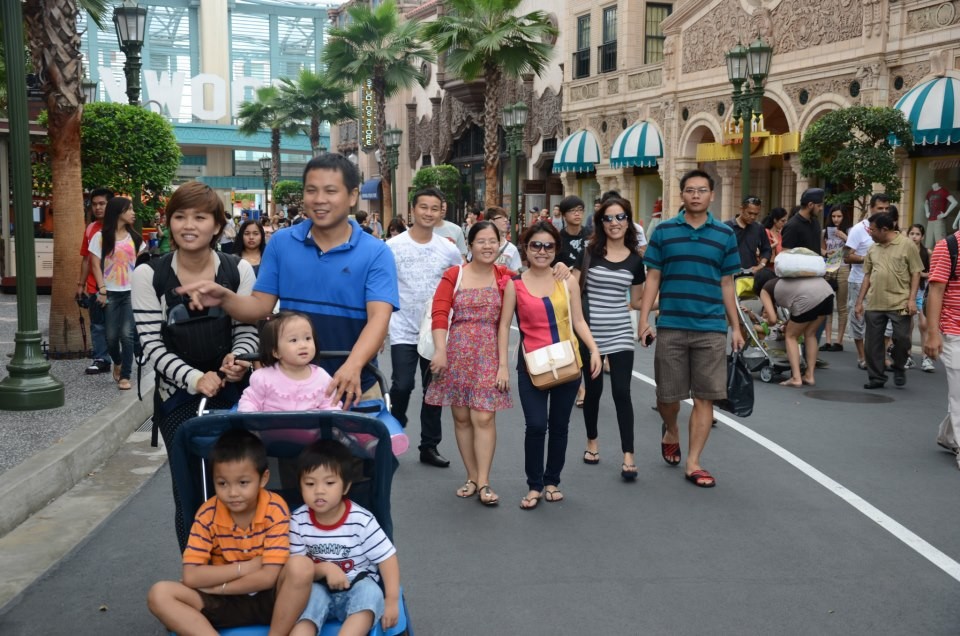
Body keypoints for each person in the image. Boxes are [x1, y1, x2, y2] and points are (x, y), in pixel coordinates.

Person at [177, 153, 399, 411]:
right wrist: (225, 298)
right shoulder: (282, 243)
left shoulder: (376, 252)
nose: (319, 199)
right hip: (287, 392)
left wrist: (353, 364)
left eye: (330, 191)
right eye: (311, 190)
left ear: (352, 196)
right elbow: (260, 307)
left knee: (361, 450)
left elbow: (379, 320)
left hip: (352, 385)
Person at [134, 181, 258, 548]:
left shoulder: (238, 271)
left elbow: (247, 328)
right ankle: (199, 574)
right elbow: (151, 344)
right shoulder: (149, 275)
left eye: (200, 217)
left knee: (243, 484)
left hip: (237, 393)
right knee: (190, 490)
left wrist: (240, 361)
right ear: (169, 222)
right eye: (180, 216)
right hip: (179, 398)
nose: (189, 225)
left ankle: (249, 569)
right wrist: (194, 378)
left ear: (217, 226)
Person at [638, 169, 745, 489]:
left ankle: (694, 461)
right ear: (681, 194)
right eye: (689, 190)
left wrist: (736, 328)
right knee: (667, 396)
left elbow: (728, 283)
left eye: (702, 190)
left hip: (711, 328)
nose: (695, 195)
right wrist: (643, 319)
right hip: (670, 324)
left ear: (712, 195)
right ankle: (670, 428)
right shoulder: (665, 232)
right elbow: (653, 277)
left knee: (705, 397)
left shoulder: (725, 235)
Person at [498, 222, 602, 508]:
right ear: (526, 249)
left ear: (556, 250)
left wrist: (594, 350)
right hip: (531, 365)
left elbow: (579, 320)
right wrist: (503, 366)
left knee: (559, 426)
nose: (542, 251)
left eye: (548, 246)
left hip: (568, 362)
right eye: (536, 245)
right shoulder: (514, 284)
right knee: (535, 424)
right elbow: (505, 326)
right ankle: (534, 485)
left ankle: (552, 480)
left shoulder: (566, 280)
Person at [147, 430, 290, 634]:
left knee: (300, 568)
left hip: (268, 600)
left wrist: (219, 587)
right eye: (222, 484)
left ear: (263, 478)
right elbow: (191, 576)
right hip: (222, 603)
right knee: (159, 594)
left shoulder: (275, 508)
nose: (232, 493)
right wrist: (246, 567)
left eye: (243, 483)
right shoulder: (207, 514)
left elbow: (269, 577)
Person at [269, 440, 401, 635]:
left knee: (370, 593)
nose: (319, 490)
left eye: (329, 483)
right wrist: (324, 569)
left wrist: (391, 599)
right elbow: (296, 568)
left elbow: (386, 558)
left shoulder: (361, 520)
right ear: (300, 486)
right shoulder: (298, 521)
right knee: (306, 604)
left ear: (346, 486)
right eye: (310, 483)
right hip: (318, 585)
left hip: (357, 583)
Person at [425, 221, 514, 506]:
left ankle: (485, 481)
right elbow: (439, 313)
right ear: (470, 244)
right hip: (456, 352)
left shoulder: (505, 279)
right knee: (461, 418)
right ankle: (472, 477)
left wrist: (503, 365)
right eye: (481, 241)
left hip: (488, 352)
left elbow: (504, 326)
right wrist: (440, 350)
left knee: (484, 416)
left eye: (493, 240)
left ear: (500, 243)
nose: (487, 246)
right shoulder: (455, 275)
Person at [386, 187, 462, 468]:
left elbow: (461, 280)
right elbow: (382, 287)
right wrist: (379, 326)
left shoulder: (449, 250)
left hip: (436, 331)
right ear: (412, 210)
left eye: (434, 208)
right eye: (423, 207)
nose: (428, 213)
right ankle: (394, 431)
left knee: (434, 391)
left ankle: (429, 446)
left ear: (441, 212)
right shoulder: (392, 247)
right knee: (402, 385)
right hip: (402, 328)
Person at [578, 199, 646, 481]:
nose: (615, 223)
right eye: (608, 218)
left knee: (621, 392)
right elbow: (573, 288)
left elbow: (639, 300)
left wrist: (652, 317)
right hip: (589, 333)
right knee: (593, 392)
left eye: (620, 217)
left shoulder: (635, 259)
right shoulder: (589, 253)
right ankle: (592, 440)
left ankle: (628, 454)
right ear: (601, 223)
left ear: (628, 221)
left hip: (620, 333)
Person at [854, 212, 923, 389]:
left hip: (900, 302)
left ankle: (899, 365)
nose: (870, 233)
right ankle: (876, 378)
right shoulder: (872, 248)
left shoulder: (907, 245)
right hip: (875, 303)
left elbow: (916, 272)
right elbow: (867, 275)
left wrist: (912, 299)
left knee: (902, 339)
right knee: (872, 344)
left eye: (873, 229)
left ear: (885, 230)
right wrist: (859, 302)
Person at [89, 196, 145, 391]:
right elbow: (95, 264)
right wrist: (102, 289)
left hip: (131, 292)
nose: (133, 213)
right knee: (111, 337)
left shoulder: (136, 239)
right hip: (110, 292)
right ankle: (118, 362)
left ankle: (125, 376)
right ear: (119, 212)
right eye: (129, 209)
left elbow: (139, 266)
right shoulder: (100, 237)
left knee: (127, 335)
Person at [237, 311, 341, 413]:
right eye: (294, 340)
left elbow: (330, 406)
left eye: (308, 338)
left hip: (311, 429)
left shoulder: (322, 377)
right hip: (271, 429)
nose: (303, 345)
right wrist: (250, 421)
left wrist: (334, 424)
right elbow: (250, 402)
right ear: (276, 352)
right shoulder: (263, 378)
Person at [923, 225, 960, 468]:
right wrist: (932, 334)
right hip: (954, 329)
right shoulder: (949, 245)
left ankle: (949, 436)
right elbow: (936, 288)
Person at [759, 276, 835, 387]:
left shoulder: (764, 290)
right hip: (827, 292)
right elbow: (800, 312)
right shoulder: (785, 281)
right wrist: (789, 323)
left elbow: (772, 320)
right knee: (811, 334)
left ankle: (796, 378)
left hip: (808, 299)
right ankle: (809, 376)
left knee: (790, 336)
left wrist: (768, 325)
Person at [844, 193, 891, 369]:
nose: (884, 211)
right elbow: (846, 256)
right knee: (859, 319)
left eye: (887, 208)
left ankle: (880, 356)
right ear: (872, 208)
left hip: (884, 283)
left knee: (883, 321)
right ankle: (862, 357)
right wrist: (869, 259)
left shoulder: (890, 228)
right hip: (858, 281)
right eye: (880, 208)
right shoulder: (858, 229)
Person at [77, 188, 113, 375]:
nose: (98, 208)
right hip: (94, 287)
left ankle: (127, 358)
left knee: (122, 327)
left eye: (102, 204)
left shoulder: (120, 228)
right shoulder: (90, 228)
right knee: (98, 325)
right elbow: (86, 259)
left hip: (118, 287)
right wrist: (80, 285)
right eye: (95, 204)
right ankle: (101, 359)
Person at [821, 205, 851, 351]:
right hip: (828, 267)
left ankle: (839, 341)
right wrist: (826, 252)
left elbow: (853, 248)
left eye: (839, 216)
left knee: (841, 306)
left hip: (844, 267)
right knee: (827, 305)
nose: (836, 219)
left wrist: (845, 237)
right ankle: (827, 340)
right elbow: (820, 248)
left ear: (844, 217)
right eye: (833, 216)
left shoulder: (849, 232)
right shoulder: (825, 232)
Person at [907, 224, 936, 372]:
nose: (914, 236)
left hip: (922, 291)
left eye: (917, 234)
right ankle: (908, 356)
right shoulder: (904, 251)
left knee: (924, 325)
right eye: (911, 233)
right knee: (908, 325)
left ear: (922, 236)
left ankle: (926, 358)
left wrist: (921, 274)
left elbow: (932, 273)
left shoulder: (927, 252)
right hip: (906, 291)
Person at [726, 195, 773, 274]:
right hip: (730, 275)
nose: (753, 217)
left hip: (751, 275)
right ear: (741, 209)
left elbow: (767, 250)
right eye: (750, 213)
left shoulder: (759, 228)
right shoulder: (727, 227)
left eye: (756, 214)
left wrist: (761, 265)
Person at [781, 187, 824, 253]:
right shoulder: (792, 226)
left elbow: (813, 248)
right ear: (810, 205)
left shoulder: (815, 222)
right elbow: (786, 252)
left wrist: (825, 253)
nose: (821, 208)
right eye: (819, 205)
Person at [483, 207, 524, 271]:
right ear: (491, 221)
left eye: (506, 217)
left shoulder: (511, 248)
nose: (506, 220)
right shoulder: (480, 246)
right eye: (501, 217)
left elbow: (516, 274)